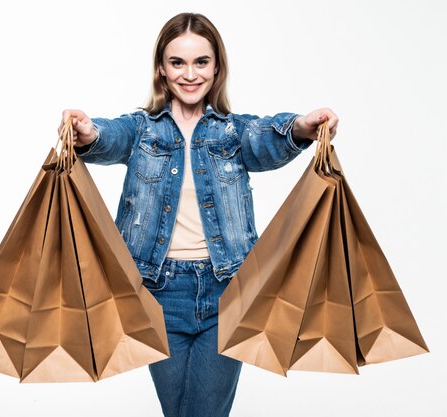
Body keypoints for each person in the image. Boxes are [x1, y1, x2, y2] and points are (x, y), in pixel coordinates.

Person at [59, 12, 338, 417]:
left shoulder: (232, 132)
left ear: (216, 67)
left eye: (201, 62)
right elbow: (108, 137)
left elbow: (269, 136)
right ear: (161, 69)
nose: (190, 74)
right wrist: (88, 132)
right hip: (157, 295)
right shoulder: (142, 130)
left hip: (229, 292)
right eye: (178, 63)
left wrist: (301, 126)